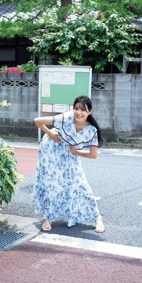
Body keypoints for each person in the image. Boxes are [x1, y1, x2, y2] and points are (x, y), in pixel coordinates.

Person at [33, 96, 105, 233]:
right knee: (50, 183)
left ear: (90, 112)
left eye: (83, 110)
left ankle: (97, 218)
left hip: (70, 153)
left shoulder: (91, 130)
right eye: (76, 108)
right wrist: (51, 134)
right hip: (51, 150)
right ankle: (46, 217)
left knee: (79, 183)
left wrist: (76, 152)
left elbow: (93, 155)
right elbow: (37, 121)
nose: (79, 112)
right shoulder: (65, 118)